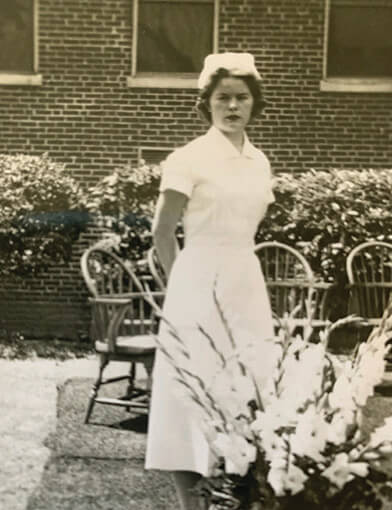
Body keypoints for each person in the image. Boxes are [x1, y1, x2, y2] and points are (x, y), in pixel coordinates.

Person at [145, 52, 275, 510]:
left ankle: (240, 498)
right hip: (197, 282)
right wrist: (182, 287)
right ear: (208, 104)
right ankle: (191, 506)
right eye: (223, 98)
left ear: (254, 104)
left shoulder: (259, 161)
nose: (233, 106)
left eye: (242, 98)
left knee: (251, 390)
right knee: (192, 392)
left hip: (246, 282)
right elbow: (163, 232)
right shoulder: (188, 158)